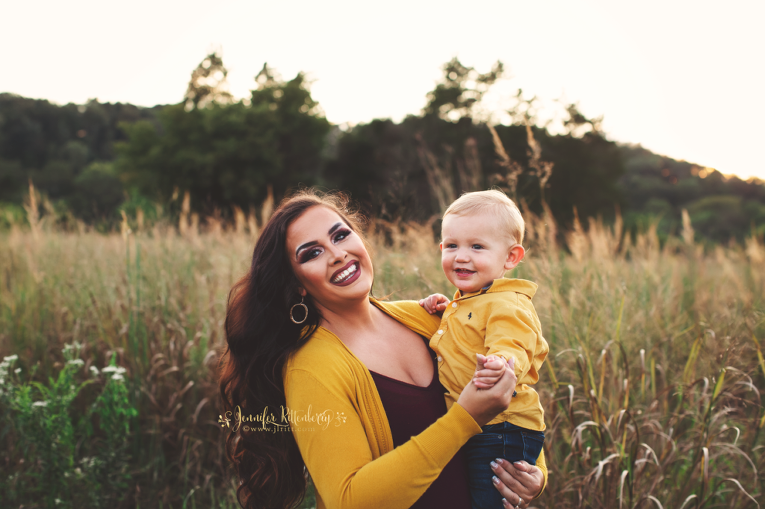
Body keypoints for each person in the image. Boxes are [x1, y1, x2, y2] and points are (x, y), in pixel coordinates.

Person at [219, 189, 547, 509]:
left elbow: (511, 399)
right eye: (312, 253)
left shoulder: (431, 318)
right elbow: (349, 500)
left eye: (340, 235)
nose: (337, 254)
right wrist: (465, 419)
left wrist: (533, 475)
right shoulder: (310, 367)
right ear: (296, 284)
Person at [418, 190, 549, 509]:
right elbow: (466, 328)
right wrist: (439, 307)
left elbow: (513, 342)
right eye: (452, 245)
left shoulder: (508, 304)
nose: (461, 256)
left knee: (489, 501)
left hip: (500, 427)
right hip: (483, 423)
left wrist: (502, 363)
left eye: (477, 246)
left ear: (511, 258)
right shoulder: (469, 300)